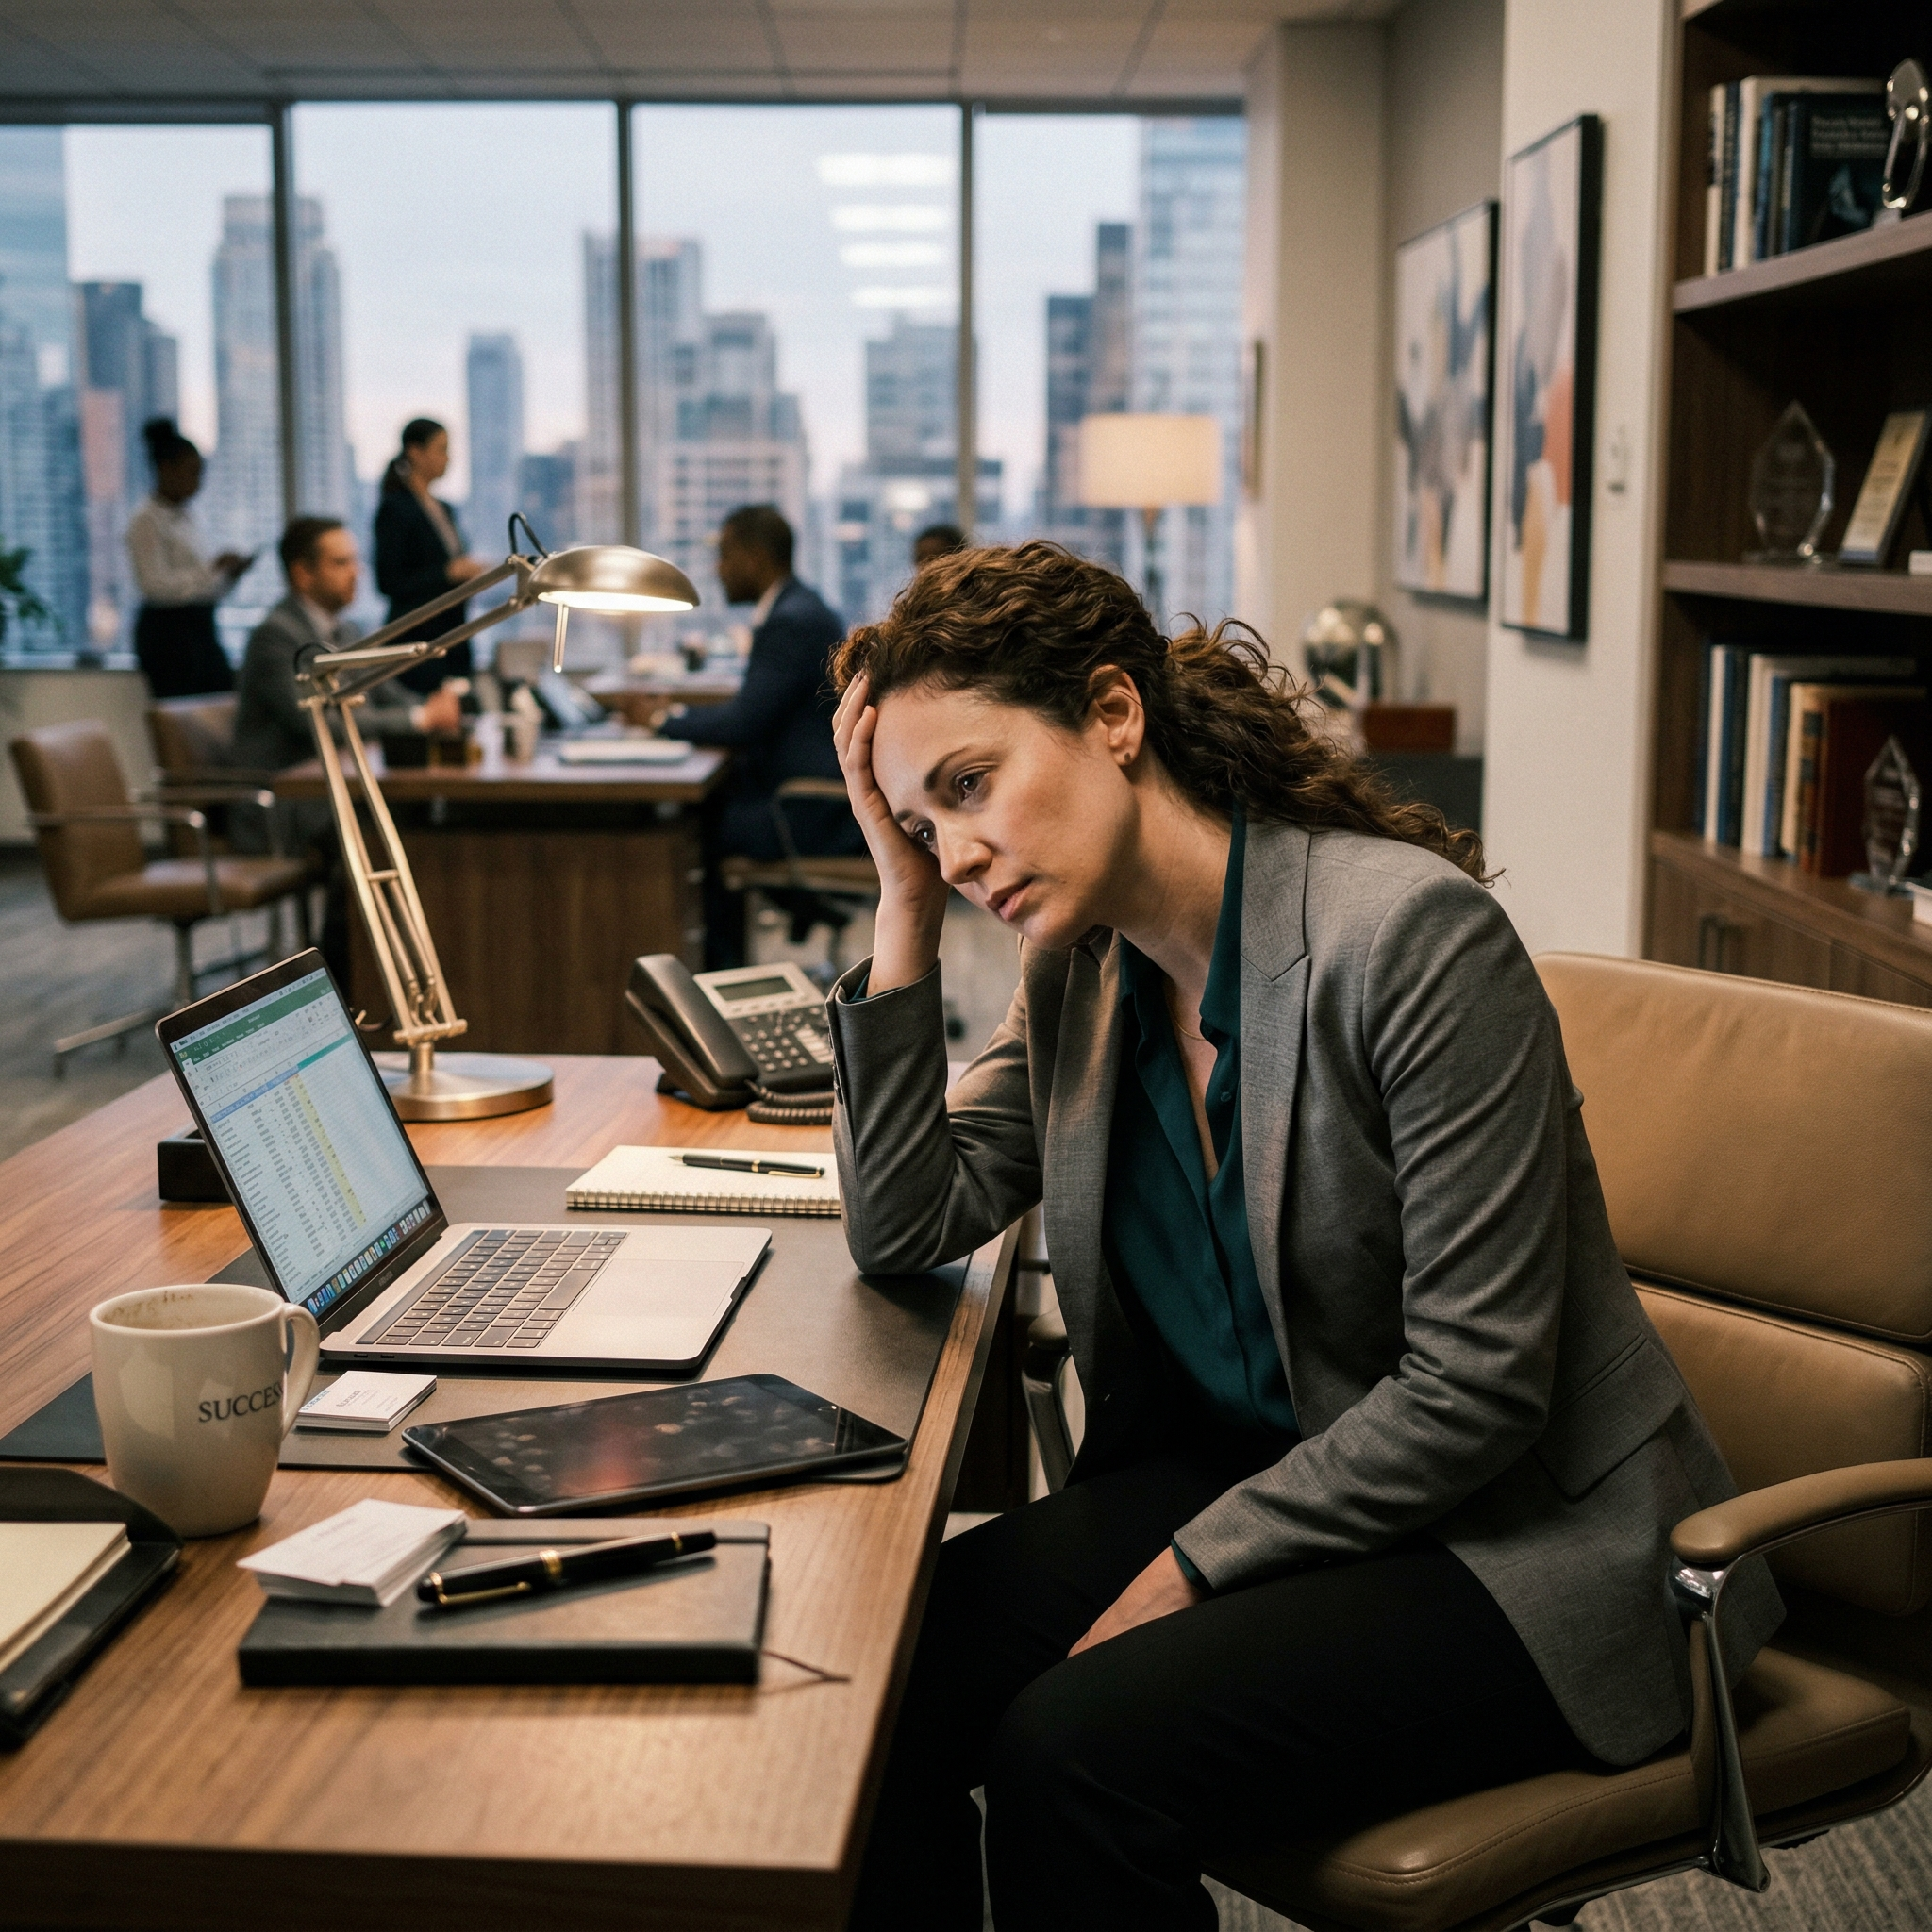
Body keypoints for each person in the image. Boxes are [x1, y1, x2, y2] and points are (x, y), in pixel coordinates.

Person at [824, 541, 1783, 1932]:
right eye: (922, 824)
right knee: (874, 1674)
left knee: (1074, 1754)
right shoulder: (1081, 966)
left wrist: (1193, 1570)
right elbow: (906, 1218)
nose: (959, 851)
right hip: (1262, 1475)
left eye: (969, 788)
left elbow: (1478, 1391)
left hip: (1513, 1540)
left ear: (1113, 715)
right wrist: (900, 907)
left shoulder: (1408, 942)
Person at [232, 516, 461, 974]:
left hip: (333, 792)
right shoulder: (277, 636)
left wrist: (434, 706)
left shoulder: (347, 631)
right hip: (281, 805)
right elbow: (318, 720)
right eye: (340, 563)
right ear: (303, 574)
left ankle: (405, 966)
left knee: (419, 820)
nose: (355, 572)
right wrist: (419, 719)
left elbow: (390, 696)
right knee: (382, 830)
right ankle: (344, 976)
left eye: (355, 561)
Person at [674, 503, 860, 969]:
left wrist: (660, 723)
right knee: (707, 809)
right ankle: (721, 970)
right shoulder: (800, 607)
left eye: (725, 554)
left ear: (755, 556)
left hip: (808, 810)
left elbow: (742, 723)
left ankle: (716, 979)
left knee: (690, 831)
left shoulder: (790, 621)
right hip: (809, 797)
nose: (718, 569)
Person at [125, 417, 251, 699]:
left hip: (200, 629)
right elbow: (155, 586)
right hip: (169, 637)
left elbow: (202, 587)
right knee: (184, 718)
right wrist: (210, 571)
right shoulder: (145, 520)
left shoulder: (190, 516)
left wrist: (228, 576)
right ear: (165, 469)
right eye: (192, 473)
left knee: (220, 703)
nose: (198, 483)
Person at [373, 417, 488, 695]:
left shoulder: (445, 508)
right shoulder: (396, 508)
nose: (448, 458)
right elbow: (388, 582)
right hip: (417, 644)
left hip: (453, 637)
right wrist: (447, 574)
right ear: (415, 452)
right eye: (442, 449)